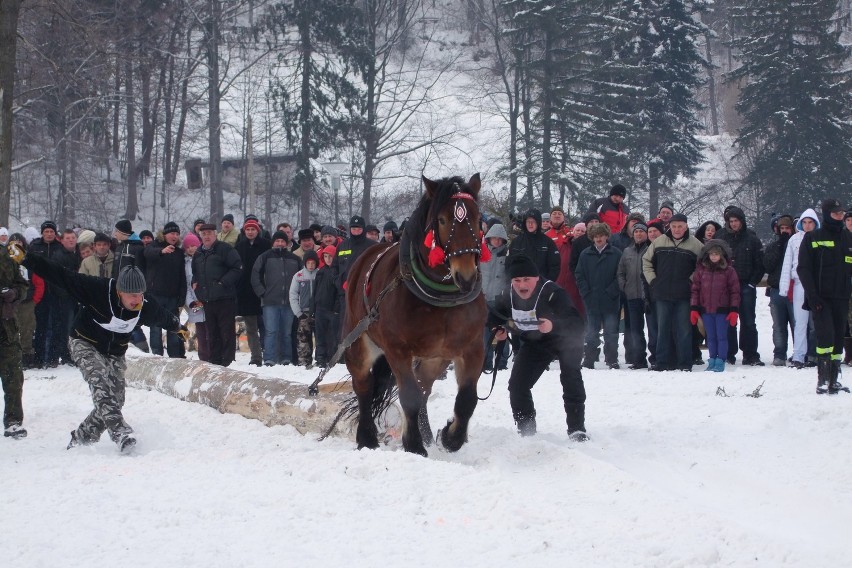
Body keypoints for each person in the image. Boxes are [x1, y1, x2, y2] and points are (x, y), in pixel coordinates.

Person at [9, 242, 187, 452]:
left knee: (115, 400)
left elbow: (164, 317)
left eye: (140, 294)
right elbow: (61, 275)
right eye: (132, 295)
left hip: (114, 352)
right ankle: (120, 432)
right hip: (84, 342)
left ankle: (83, 435)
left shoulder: (145, 305)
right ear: (120, 291)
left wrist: (178, 327)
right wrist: (28, 259)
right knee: (100, 383)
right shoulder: (98, 290)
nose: (137, 300)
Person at [488, 254, 588, 440]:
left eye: (526, 279)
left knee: (571, 378)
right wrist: (497, 328)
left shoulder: (552, 292)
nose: (521, 285)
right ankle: (527, 430)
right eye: (517, 280)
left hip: (566, 340)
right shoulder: (507, 294)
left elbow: (577, 323)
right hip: (537, 343)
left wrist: (553, 325)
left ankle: (577, 429)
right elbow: (494, 315)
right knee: (517, 386)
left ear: (536, 278)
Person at [797, 198, 852, 394]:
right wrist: (813, 296)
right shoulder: (813, 237)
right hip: (821, 299)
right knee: (825, 336)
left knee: (838, 337)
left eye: (841, 213)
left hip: (842, 297)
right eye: (836, 213)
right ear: (827, 214)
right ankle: (823, 378)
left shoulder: (848, 238)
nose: (840, 216)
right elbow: (803, 268)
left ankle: (834, 379)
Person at [642, 213, 703, 371]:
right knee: (662, 329)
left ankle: (684, 363)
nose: (677, 229)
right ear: (669, 226)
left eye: (680, 226)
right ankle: (662, 363)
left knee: (684, 330)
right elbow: (646, 261)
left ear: (686, 227)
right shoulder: (659, 242)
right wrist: (653, 281)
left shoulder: (696, 245)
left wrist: (691, 281)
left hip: (684, 295)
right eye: (674, 226)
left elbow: (702, 266)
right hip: (662, 294)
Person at [719, 206, 765, 366]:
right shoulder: (721, 237)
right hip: (726, 286)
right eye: (730, 221)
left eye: (736, 221)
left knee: (749, 321)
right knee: (729, 320)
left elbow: (760, 264)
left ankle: (750, 354)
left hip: (746, 285)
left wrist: (753, 283)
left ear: (742, 221)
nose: (733, 224)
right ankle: (729, 353)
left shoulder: (752, 238)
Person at [192, 224, 243, 367]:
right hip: (207, 299)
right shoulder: (198, 253)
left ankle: (227, 361)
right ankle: (214, 361)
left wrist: (223, 282)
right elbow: (195, 273)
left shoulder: (224, 249)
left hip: (225, 298)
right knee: (212, 332)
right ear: (200, 236)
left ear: (215, 234)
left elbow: (237, 267)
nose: (206, 236)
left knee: (226, 332)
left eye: (209, 233)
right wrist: (195, 286)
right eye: (203, 234)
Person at [29, 220, 77, 368]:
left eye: (51, 232)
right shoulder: (35, 246)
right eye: (46, 232)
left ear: (55, 234)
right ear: (42, 233)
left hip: (56, 292)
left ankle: (53, 357)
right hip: (40, 292)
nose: (49, 234)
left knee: (57, 326)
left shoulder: (59, 247)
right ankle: (39, 357)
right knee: (41, 326)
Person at [575, 222, 622, 369]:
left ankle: (612, 359)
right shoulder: (585, 254)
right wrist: (586, 293)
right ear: (592, 237)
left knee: (611, 332)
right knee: (591, 332)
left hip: (611, 300)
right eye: (595, 236)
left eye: (601, 235)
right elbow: (579, 275)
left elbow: (620, 275)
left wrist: (611, 292)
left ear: (607, 236)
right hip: (591, 300)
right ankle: (589, 359)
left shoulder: (616, 253)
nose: (598, 238)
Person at [690, 240, 740, 372]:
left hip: (722, 310)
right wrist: (694, 308)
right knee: (710, 337)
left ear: (721, 255)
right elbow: (695, 290)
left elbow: (734, 291)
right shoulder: (701, 271)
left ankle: (721, 360)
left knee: (721, 336)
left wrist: (734, 309)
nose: (713, 257)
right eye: (711, 254)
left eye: (716, 254)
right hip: (706, 310)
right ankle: (712, 359)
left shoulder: (729, 271)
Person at [252, 231, 301, 366]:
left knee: (286, 332)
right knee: (271, 331)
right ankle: (269, 358)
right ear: (273, 242)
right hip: (270, 302)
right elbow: (255, 275)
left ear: (286, 243)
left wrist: (298, 296)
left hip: (290, 302)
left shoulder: (295, 259)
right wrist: (262, 293)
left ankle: (286, 358)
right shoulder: (264, 257)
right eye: (277, 241)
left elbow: (301, 277)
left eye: (282, 241)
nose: (280, 243)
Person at [779, 208, 820, 369]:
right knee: (800, 322)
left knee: (816, 323)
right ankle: (798, 355)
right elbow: (787, 264)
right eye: (805, 222)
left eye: (811, 222)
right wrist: (784, 286)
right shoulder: (794, 240)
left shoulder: (821, 238)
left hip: (817, 285)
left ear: (815, 223)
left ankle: (815, 354)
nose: (808, 225)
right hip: (799, 284)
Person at [142, 222, 187, 358]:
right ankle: (157, 355)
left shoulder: (179, 253)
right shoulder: (154, 246)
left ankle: (174, 356)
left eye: (177, 234)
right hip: (155, 295)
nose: (174, 236)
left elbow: (182, 276)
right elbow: (147, 253)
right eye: (172, 233)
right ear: (164, 234)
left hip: (173, 297)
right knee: (155, 327)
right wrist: (161, 252)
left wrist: (182, 295)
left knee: (173, 327)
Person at [0, 241, 29, 439]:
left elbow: (22, 284)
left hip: (6, 326)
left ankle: (13, 421)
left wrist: (15, 294)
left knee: (13, 377)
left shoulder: (7, 255)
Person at [233, 218, 271, 366]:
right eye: (247, 229)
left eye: (253, 229)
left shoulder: (265, 245)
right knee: (251, 328)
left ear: (258, 231)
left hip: (264, 290)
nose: (250, 232)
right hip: (245, 292)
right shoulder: (239, 247)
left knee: (267, 327)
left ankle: (269, 354)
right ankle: (256, 356)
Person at [617, 222, 651, 369]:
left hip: (649, 296)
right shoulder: (627, 251)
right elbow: (620, 272)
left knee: (653, 329)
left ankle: (655, 357)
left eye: (641, 232)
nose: (638, 234)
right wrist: (624, 286)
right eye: (636, 231)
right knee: (635, 330)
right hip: (631, 295)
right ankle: (639, 359)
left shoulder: (651, 249)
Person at [763, 214, 795, 366]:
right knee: (778, 326)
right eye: (781, 228)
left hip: (794, 289)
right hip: (776, 289)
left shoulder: (797, 244)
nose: (784, 231)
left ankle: (799, 352)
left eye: (787, 228)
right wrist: (780, 246)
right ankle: (779, 354)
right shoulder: (772, 246)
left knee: (797, 323)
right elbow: (768, 266)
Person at [8, 233, 41, 370]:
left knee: (27, 329)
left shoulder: (29, 259)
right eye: (14, 242)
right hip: (9, 302)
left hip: (27, 301)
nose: (17, 244)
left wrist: (34, 300)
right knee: (10, 330)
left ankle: (27, 356)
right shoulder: (5, 259)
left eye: (19, 242)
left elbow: (39, 282)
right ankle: (11, 357)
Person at [481, 223, 511, 372]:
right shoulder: (481, 253)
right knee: (484, 333)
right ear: (489, 238)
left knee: (501, 331)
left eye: (500, 239)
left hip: (500, 299)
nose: (497, 241)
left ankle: (502, 362)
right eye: (494, 238)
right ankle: (486, 362)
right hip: (483, 298)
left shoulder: (507, 255)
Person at [508, 209, 560, 281]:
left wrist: (547, 284)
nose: (530, 224)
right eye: (528, 221)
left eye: (533, 221)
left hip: (541, 285)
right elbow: (509, 264)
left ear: (538, 223)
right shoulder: (516, 242)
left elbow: (554, 266)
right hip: (520, 285)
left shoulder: (547, 242)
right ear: (525, 223)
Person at [290, 250, 319, 368]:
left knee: (320, 337)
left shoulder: (320, 274)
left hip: (318, 312)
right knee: (303, 338)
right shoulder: (298, 276)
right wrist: (298, 312)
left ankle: (320, 359)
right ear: (305, 263)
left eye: (313, 263)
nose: (311, 265)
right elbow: (293, 295)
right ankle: (303, 361)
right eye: (309, 263)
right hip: (303, 312)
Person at [182, 233, 209, 362]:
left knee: (212, 330)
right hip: (195, 301)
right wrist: (191, 302)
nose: (191, 249)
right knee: (201, 333)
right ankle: (203, 358)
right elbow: (186, 285)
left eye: (193, 245)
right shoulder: (185, 264)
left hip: (208, 300)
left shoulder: (205, 258)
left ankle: (215, 357)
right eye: (188, 247)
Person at [313, 245, 340, 367]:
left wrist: (337, 308)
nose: (328, 259)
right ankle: (320, 358)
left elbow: (340, 293)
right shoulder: (321, 272)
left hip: (333, 309)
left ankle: (333, 358)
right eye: (325, 256)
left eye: (330, 256)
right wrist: (313, 306)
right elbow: (315, 291)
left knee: (333, 336)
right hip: (320, 308)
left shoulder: (338, 272)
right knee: (320, 335)